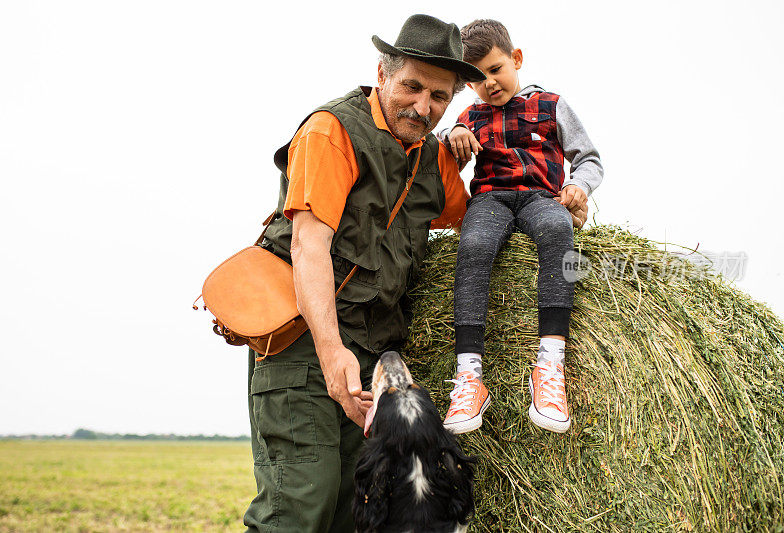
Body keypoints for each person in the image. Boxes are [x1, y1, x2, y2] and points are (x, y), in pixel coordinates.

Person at [243, 15, 589, 533]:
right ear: (382, 74)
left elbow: (478, 229)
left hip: (377, 360)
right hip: (306, 348)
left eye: (440, 96)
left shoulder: (435, 159)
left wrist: (563, 205)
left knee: (351, 514)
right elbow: (308, 245)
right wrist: (332, 350)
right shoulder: (332, 132)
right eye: (412, 86)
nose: (424, 106)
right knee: (302, 506)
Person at [440, 19, 603, 436]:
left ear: (516, 59)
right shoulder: (470, 116)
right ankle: (469, 376)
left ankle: (550, 366)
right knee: (473, 246)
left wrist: (577, 187)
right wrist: (453, 131)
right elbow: (440, 147)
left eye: (496, 70)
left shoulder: (550, 105)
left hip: (540, 196)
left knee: (559, 234)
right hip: (491, 198)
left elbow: (589, 159)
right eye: (477, 79)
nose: (489, 83)